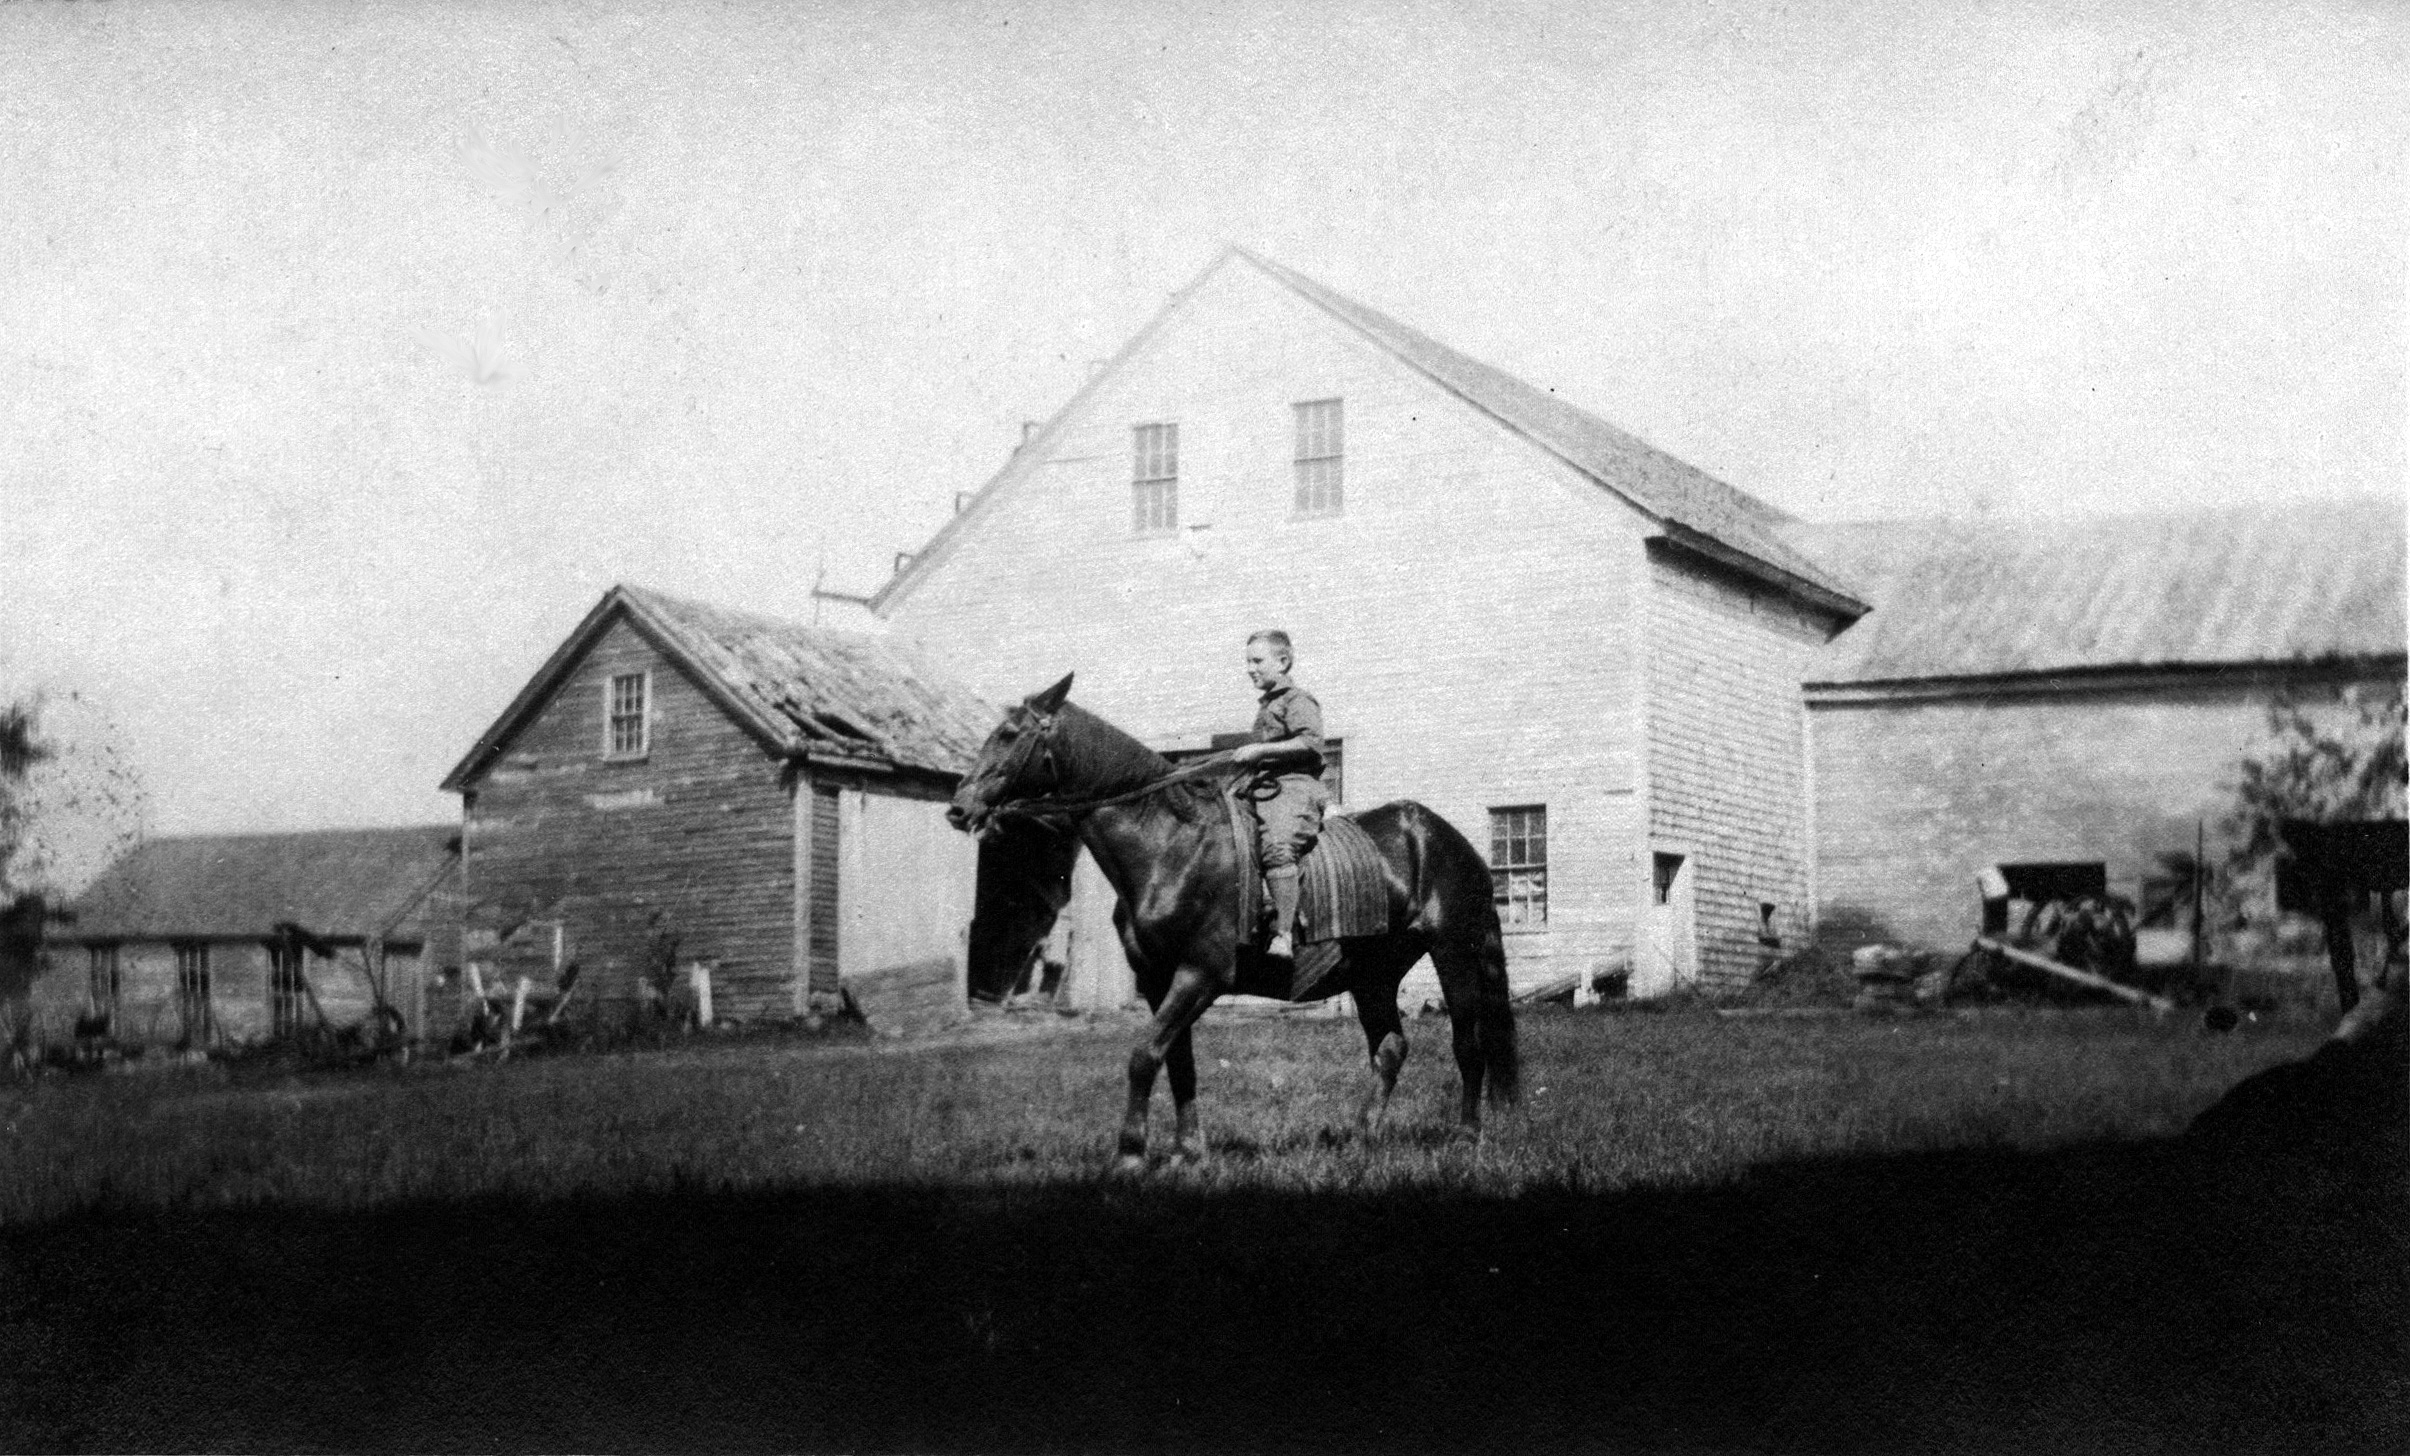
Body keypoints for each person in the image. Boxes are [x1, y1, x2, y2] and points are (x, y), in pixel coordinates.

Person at [1227, 629, 1327, 968]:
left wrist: (1259, 750)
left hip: (1295, 786)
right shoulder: (1268, 704)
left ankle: (1284, 934)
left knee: (1277, 846)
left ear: (1282, 662)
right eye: (1247, 661)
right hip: (1265, 786)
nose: (1250, 668)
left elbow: (1310, 744)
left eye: (1257, 661)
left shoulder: (1298, 700)